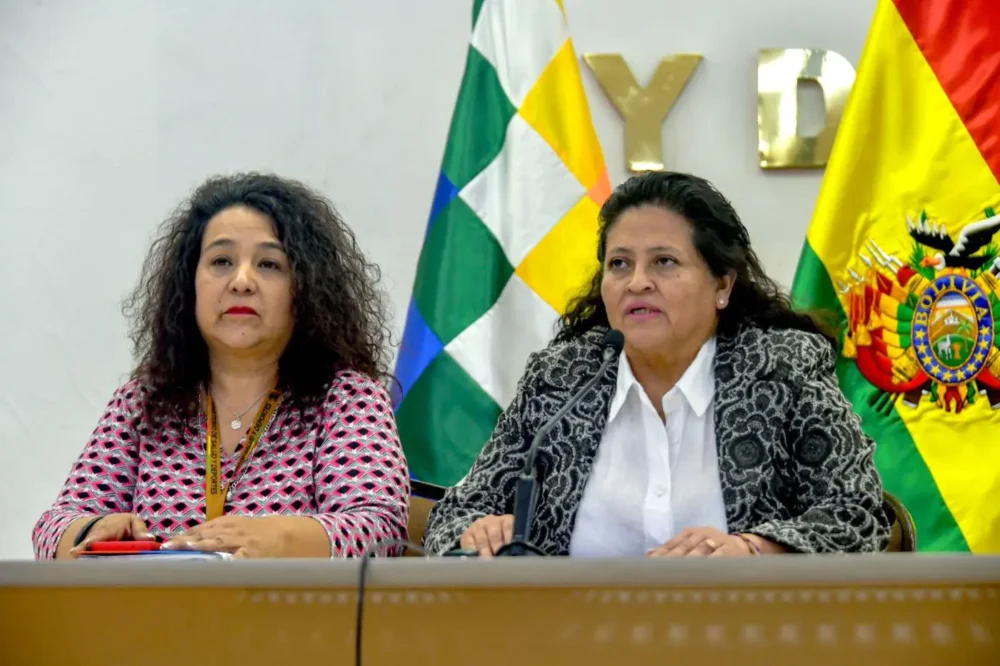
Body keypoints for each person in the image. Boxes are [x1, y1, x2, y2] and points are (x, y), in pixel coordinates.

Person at [423, 171, 891, 558]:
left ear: (722, 285)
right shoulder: (561, 381)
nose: (638, 283)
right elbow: (452, 516)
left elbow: (860, 514)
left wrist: (755, 550)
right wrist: (479, 531)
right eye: (620, 264)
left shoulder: (783, 370)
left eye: (664, 262)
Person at [33, 173, 409, 559]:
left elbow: (381, 531)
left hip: (288, 617)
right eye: (221, 261)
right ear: (189, 284)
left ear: (306, 288)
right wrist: (93, 529)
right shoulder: (145, 401)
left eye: (268, 264)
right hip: (155, 616)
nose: (242, 281)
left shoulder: (345, 398)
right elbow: (53, 527)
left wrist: (278, 539)